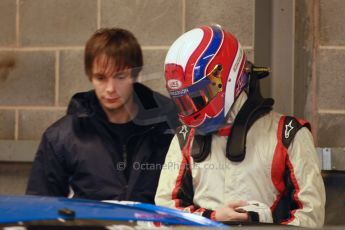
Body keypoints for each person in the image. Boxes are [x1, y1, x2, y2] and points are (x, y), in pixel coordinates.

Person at [155, 25, 325, 227]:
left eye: (196, 98)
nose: (191, 109)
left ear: (225, 78)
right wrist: (213, 218)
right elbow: (164, 215)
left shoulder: (288, 135)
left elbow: (311, 219)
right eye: (183, 102)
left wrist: (257, 222)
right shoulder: (184, 137)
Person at [26, 28, 178, 203]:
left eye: (120, 76)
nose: (110, 88)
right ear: (90, 76)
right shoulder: (62, 137)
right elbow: (40, 206)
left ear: (135, 75)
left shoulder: (169, 127)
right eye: (101, 78)